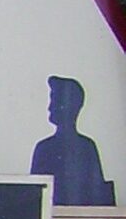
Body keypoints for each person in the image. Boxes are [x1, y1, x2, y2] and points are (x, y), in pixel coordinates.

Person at [29, 76, 116, 205]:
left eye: (54, 101)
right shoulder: (44, 148)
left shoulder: (86, 147)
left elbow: (98, 200)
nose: (49, 107)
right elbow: (35, 198)